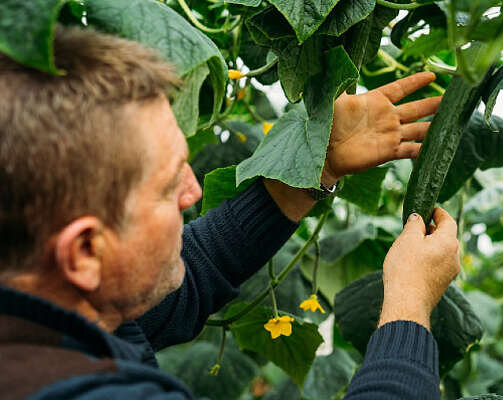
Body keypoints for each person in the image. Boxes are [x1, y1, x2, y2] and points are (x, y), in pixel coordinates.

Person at [0, 27, 461, 400]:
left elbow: (189, 277)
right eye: (166, 187)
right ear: (84, 252)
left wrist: (312, 166)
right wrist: (408, 304)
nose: (193, 189)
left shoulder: (47, 310)